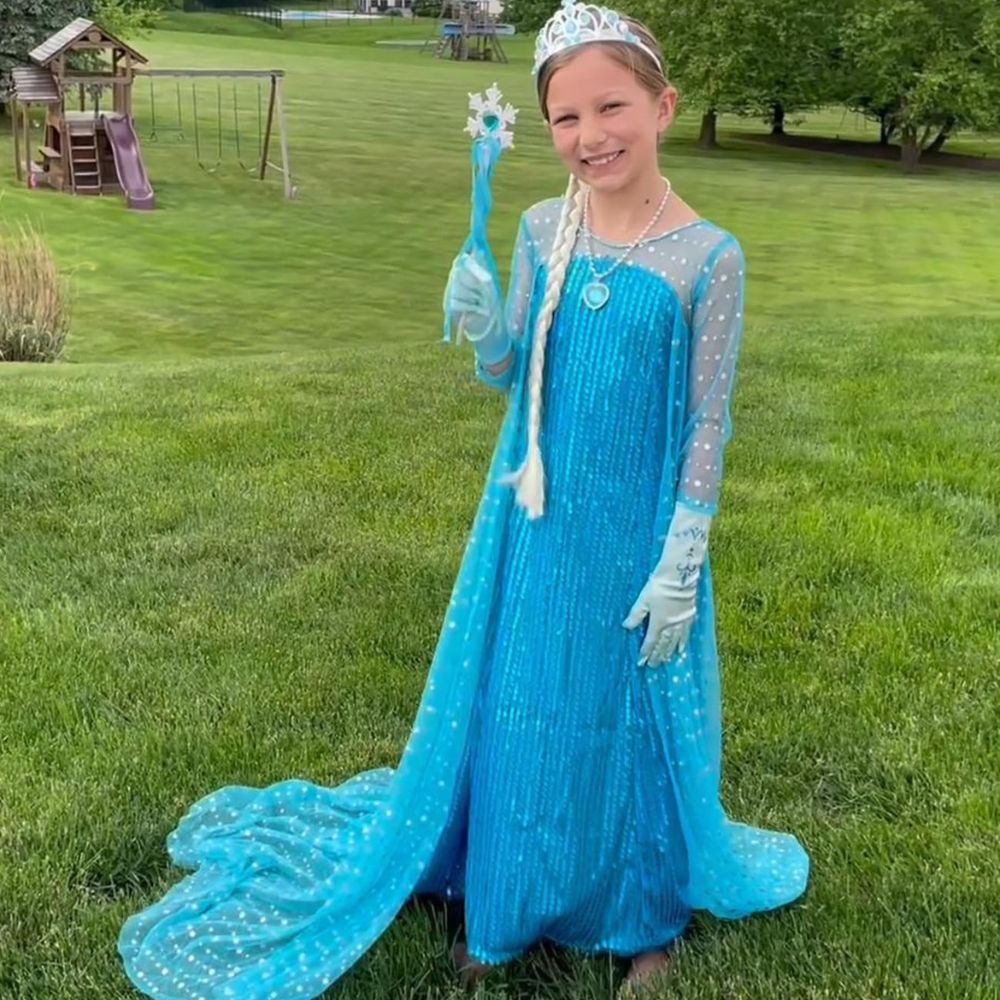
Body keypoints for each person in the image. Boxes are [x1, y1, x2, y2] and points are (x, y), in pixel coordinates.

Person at [118, 3, 809, 997]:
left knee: (630, 716)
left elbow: (707, 421)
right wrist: (487, 323)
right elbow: (509, 373)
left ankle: (640, 917)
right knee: (525, 704)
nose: (590, 136)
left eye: (610, 107)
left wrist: (682, 556)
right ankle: (508, 903)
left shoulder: (710, 257)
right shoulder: (538, 228)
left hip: (638, 538)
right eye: (565, 119)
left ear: (662, 106)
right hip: (532, 522)